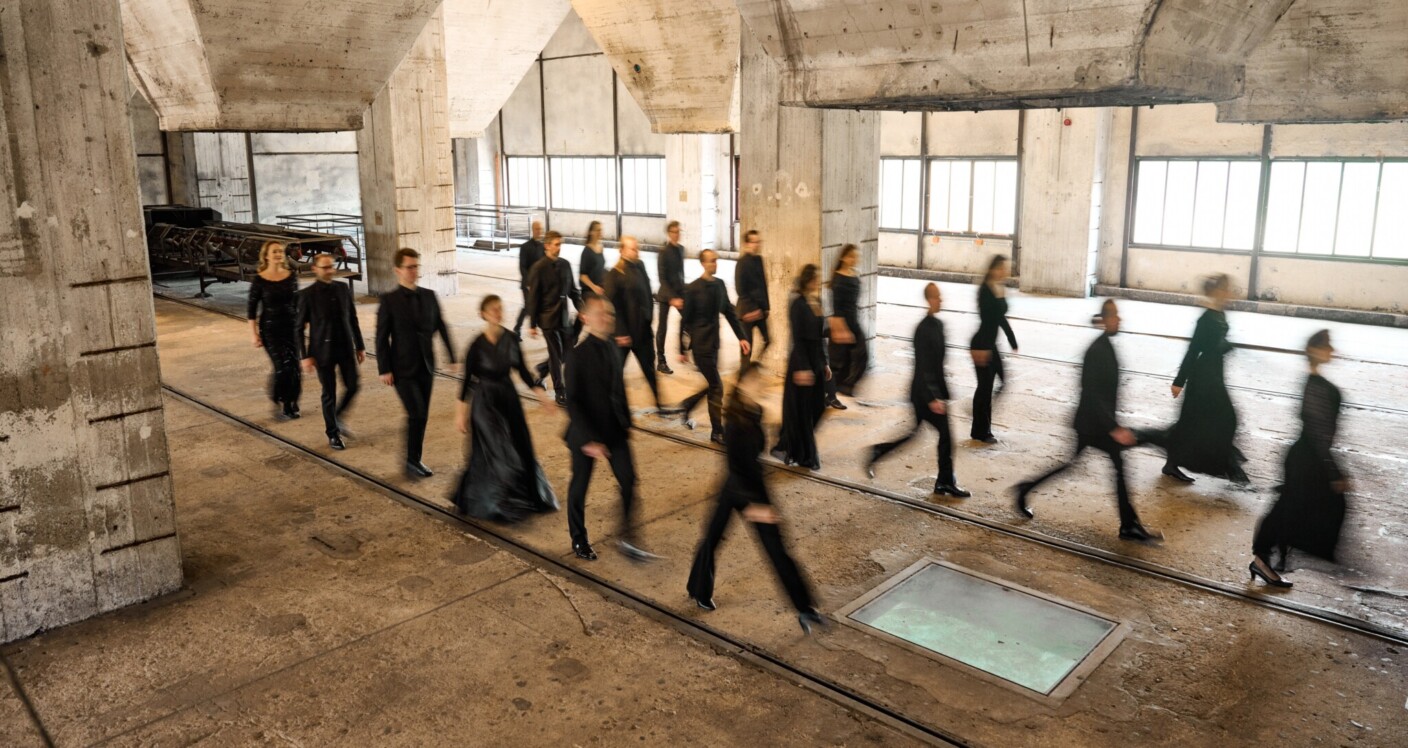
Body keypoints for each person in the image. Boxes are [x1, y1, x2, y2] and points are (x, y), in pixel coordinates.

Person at [687, 366, 826, 634]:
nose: (761, 385)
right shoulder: (734, 423)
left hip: (752, 487)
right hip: (738, 490)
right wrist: (758, 508)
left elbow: (753, 461)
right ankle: (699, 590)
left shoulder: (756, 411)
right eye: (755, 381)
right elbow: (736, 467)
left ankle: (805, 609)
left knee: (777, 551)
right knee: (712, 540)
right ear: (741, 385)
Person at [1013, 300, 1158, 542]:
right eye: (1115, 316)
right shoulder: (1097, 350)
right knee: (1115, 468)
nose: (1119, 320)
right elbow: (1091, 394)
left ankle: (1026, 489)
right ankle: (1128, 526)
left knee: (1083, 465)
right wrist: (1114, 427)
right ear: (1106, 319)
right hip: (1093, 425)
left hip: (1095, 422)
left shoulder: (1105, 346)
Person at [1247, 330, 1348, 589]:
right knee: (1289, 510)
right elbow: (1319, 434)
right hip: (1307, 461)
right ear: (1315, 350)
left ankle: (1268, 557)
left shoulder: (1314, 384)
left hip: (1307, 459)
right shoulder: (1318, 388)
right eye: (1327, 346)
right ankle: (1263, 559)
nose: (1332, 350)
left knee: (1292, 509)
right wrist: (1335, 472)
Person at [564, 295, 659, 562]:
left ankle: (626, 536)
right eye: (601, 314)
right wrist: (589, 440)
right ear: (586, 318)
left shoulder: (613, 349)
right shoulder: (577, 355)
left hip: (614, 430)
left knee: (628, 480)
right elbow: (573, 402)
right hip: (586, 435)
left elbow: (618, 390)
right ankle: (579, 539)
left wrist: (627, 423)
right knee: (580, 486)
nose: (607, 319)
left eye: (609, 314)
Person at [451, 295, 558, 522]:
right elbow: (466, 382)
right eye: (493, 310)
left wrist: (542, 395)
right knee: (497, 449)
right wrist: (461, 414)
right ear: (483, 314)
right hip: (485, 402)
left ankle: (518, 496)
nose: (498, 313)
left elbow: (524, 373)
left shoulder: (511, 339)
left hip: (508, 398)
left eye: (500, 309)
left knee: (519, 444)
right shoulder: (476, 346)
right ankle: (500, 502)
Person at [866, 283, 969, 498]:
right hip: (923, 394)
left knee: (914, 434)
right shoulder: (923, 329)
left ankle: (878, 451)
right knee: (945, 436)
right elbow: (923, 366)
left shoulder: (938, 325)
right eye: (937, 297)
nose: (941, 301)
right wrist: (933, 398)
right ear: (929, 300)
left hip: (929, 393)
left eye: (940, 297)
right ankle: (945, 482)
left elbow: (939, 364)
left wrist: (944, 393)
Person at [1152, 273, 1248, 484]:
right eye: (1227, 289)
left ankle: (1175, 463)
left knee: (1194, 423)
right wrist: (1179, 381)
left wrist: (1225, 347)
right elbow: (1193, 350)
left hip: (1214, 374)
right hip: (1203, 378)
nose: (1232, 293)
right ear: (1218, 292)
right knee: (1224, 419)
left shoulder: (1220, 314)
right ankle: (1230, 468)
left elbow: (1217, 343)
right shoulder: (1206, 319)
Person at [375, 248, 456, 478]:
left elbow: (442, 326)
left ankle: (414, 459)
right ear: (398, 270)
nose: (414, 271)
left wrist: (452, 356)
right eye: (409, 267)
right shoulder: (389, 301)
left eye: (416, 266)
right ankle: (412, 460)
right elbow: (382, 337)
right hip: (401, 369)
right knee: (417, 413)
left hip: (426, 366)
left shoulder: (429, 296)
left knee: (422, 415)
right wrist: (385, 368)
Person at [678, 249, 750, 444]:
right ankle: (717, 431)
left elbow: (729, 312)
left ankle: (689, 404)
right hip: (700, 346)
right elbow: (684, 321)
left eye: (716, 260)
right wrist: (682, 349)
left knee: (713, 385)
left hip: (714, 344)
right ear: (703, 263)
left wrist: (741, 337)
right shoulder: (693, 288)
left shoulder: (719, 285)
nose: (715, 264)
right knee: (717, 386)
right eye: (711, 261)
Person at [297, 253, 365, 450]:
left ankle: (338, 416)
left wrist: (360, 346)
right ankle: (333, 433)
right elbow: (298, 328)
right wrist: (305, 356)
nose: (329, 270)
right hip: (321, 351)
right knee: (329, 393)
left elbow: (352, 318)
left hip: (344, 347)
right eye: (325, 267)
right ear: (315, 269)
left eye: (331, 266)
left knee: (353, 386)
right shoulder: (307, 295)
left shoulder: (343, 289)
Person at [771, 264, 830, 471]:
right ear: (807, 280)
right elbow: (798, 339)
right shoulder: (798, 304)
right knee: (803, 411)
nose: (817, 281)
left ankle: (796, 440)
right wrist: (803, 368)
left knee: (818, 407)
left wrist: (824, 363)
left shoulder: (817, 301)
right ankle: (803, 453)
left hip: (816, 360)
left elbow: (821, 336)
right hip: (801, 361)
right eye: (815, 278)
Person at [603, 236, 668, 412]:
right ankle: (610, 404)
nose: (636, 251)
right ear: (622, 250)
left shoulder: (640, 266)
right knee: (616, 372)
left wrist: (649, 318)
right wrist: (620, 332)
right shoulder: (614, 274)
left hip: (642, 331)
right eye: (632, 249)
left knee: (649, 369)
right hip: (623, 336)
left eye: (637, 248)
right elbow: (610, 306)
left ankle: (659, 402)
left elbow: (647, 293)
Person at [525, 231, 581, 406]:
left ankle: (542, 370)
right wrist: (532, 323)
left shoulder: (565, 265)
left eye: (560, 244)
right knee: (556, 355)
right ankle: (560, 391)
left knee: (567, 352)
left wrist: (583, 310)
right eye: (556, 244)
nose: (559, 248)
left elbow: (573, 291)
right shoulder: (538, 268)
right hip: (547, 318)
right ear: (547, 246)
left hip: (564, 316)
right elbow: (533, 298)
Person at [248, 240, 302, 421]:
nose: (278, 254)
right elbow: (251, 309)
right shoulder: (259, 279)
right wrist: (254, 334)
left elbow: (297, 303)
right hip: (270, 329)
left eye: (280, 251)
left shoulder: (292, 276)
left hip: (292, 327)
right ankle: (280, 401)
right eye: (274, 252)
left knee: (294, 367)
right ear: (266, 256)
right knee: (282, 366)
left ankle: (292, 400)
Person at [970, 255, 1018, 443]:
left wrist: (1011, 338)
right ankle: (980, 431)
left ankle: (982, 423)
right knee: (985, 388)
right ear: (993, 269)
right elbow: (988, 321)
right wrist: (982, 349)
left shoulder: (999, 288)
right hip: (982, 343)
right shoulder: (984, 291)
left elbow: (1000, 318)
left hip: (991, 344)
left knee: (1001, 381)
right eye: (1002, 268)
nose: (1005, 272)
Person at [825, 243, 866, 409]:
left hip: (854, 321)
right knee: (837, 364)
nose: (854, 259)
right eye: (851, 256)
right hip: (842, 322)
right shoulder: (838, 279)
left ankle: (845, 387)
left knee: (861, 355)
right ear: (843, 257)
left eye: (856, 256)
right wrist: (841, 329)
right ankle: (831, 395)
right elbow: (837, 307)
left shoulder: (854, 275)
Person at [734, 229, 770, 372]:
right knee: (746, 348)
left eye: (758, 241)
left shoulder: (759, 260)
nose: (757, 245)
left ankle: (753, 366)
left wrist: (766, 307)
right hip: (747, 311)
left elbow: (763, 284)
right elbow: (740, 289)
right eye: (754, 242)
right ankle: (743, 375)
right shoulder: (742, 263)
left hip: (760, 309)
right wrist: (752, 308)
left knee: (768, 339)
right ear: (747, 243)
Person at [655, 220, 686, 374]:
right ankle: (661, 361)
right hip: (666, 295)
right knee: (662, 329)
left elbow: (680, 275)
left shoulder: (681, 249)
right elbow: (663, 278)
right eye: (674, 232)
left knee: (689, 320)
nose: (677, 234)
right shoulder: (663, 252)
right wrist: (672, 297)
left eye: (678, 231)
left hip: (679, 292)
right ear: (669, 233)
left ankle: (684, 351)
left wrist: (684, 293)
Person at [512, 221, 546, 336]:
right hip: (528, 284)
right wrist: (529, 283)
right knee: (528, 307)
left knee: (533, 307)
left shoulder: (543, 247)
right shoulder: (525, 247)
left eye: (540, 229)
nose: (539, 231)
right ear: (532, 230)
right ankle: (517, 328)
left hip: (539, 283)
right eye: (537, 229)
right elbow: (522, 267)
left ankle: (520, 328)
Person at [579, 220, 607, 298]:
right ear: (591, 232)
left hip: (600, 289)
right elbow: (582, 276)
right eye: (597, 230)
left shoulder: (600, 247)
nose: (600, 232)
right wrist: (594, 287)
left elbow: (600, 268)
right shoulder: (587, 251)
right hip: (590, 291)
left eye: (601, 230)